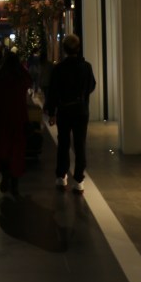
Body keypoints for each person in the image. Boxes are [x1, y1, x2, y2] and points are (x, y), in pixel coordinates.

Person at [45, 34, 96, 192]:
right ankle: (79, 180)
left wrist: (52, 112)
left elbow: (53, 92)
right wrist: (82, 95)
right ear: (78, 48)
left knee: (63, 143)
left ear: (64, 49)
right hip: (81, 109)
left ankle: (61, 176)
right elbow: (92, 85)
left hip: (64, 109)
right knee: (80, 144)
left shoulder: (59, 69)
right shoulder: (86, 67)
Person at [0, 49, 31, 195]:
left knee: (2, 148)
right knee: (16, 150)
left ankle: (5, 174)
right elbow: (29, 79)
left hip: (0, 119)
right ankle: (15, 182)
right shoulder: (21, 79)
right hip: (19, 118)